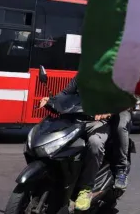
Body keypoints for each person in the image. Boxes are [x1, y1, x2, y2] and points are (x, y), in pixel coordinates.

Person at [38, 75, 111, 211]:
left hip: (96, 122)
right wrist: (51, 100)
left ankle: (86, 189)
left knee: (95, 143)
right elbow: (66, 93)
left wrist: (107, 111)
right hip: (75, 120)